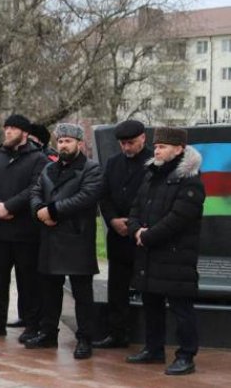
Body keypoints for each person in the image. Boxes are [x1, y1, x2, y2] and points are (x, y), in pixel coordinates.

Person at [126, 127, 204, 376]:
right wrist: (136, 229)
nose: (156, 150)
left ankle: (186, 355)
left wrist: (146, 236)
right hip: (149, 254)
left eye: (163, 146)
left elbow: (178, 218)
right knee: (152, 304)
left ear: (179, 149)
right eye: (156, 146)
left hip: (175, 256)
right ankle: (154, 349)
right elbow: (136, 207)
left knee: (181, 308)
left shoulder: (190, 180)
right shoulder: (152, 175)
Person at [26, 123, 101, 359]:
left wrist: (53, 211)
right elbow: (35, 191)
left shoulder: (92, 169)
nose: (63, 145)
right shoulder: (49, 168)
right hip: (50, 238)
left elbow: (86, 197)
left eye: (68, 141)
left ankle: (85, 339)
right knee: (49, 291)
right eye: (60, 141)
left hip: (77, 239)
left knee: (82, 295)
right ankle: (48, 333)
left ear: (79, 144)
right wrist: (39, 209)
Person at [0, 114, 48, 342]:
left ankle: (31, 325)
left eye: (13, 128)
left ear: (24, 133)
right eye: (6, 128)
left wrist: (9, 206)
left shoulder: (38, 158)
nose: (7, 131)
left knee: (27, 281)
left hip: (25, 231)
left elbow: (35, 188)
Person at [94, 120, 152, 349]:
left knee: (147, 287)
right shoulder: (113, 163)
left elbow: (154, 198)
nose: (127, 148)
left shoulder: (153, 163)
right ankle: (117, 333)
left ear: (143, 138)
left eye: (131, 143)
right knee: (117, 287)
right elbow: (104, 195)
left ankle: (150, 339)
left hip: (143, 235)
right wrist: (112, 220)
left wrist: (135, 224)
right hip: (117, 234)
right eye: (123, 144)